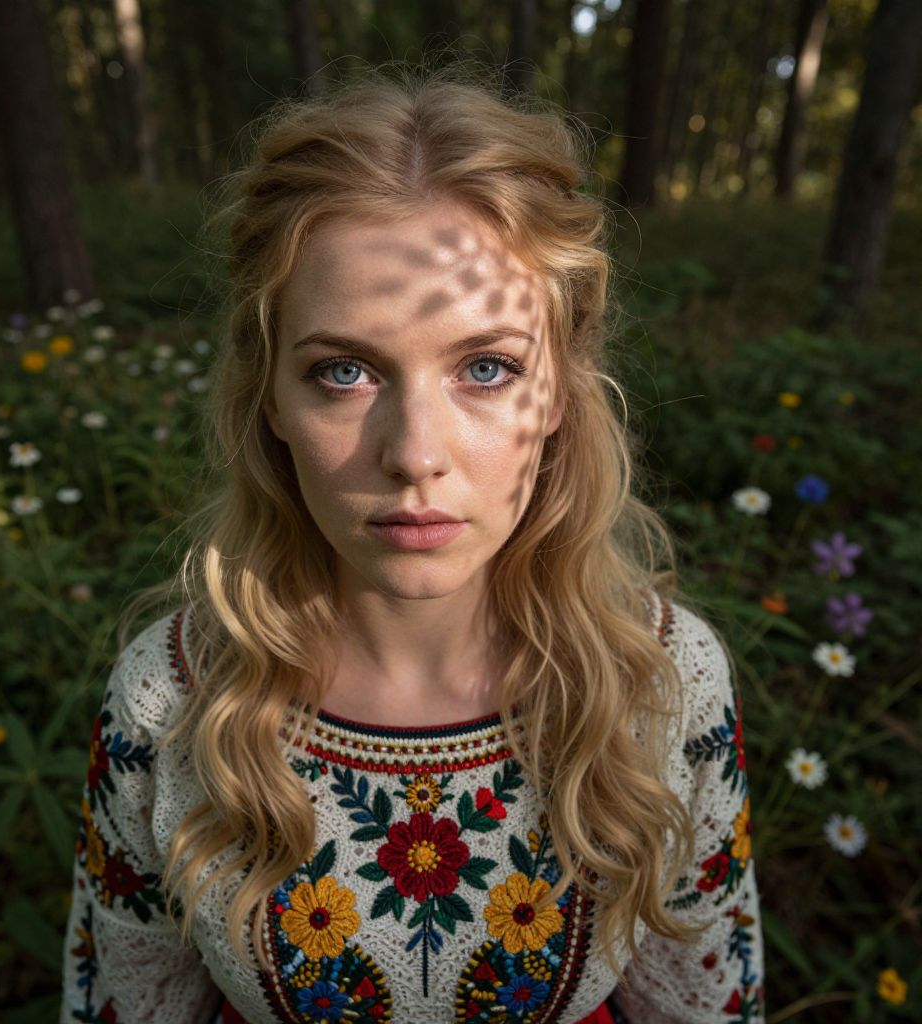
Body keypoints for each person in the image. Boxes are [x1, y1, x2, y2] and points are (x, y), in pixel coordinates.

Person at [60, 60, 764, 1024]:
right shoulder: (171, 704)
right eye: (344, 371)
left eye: (486, 366)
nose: (415, 456)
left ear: (556, 387)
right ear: (269, 396)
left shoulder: (663, 680)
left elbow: (708, 1004)